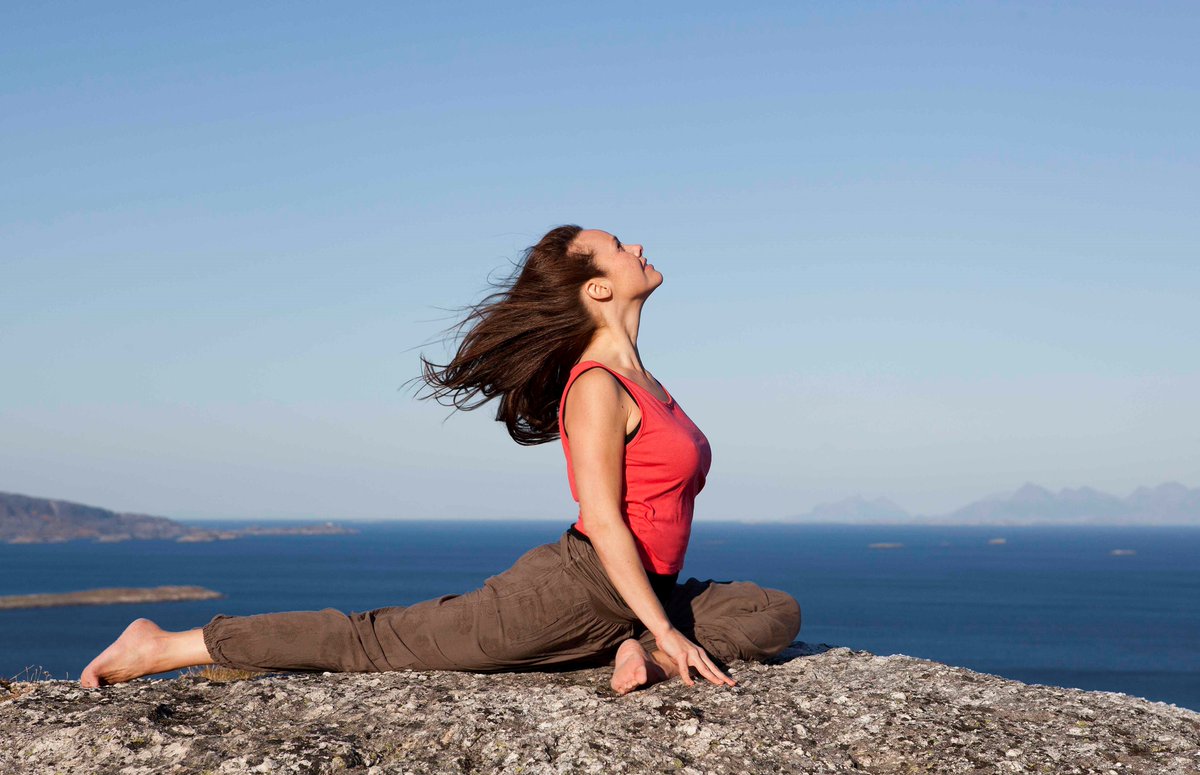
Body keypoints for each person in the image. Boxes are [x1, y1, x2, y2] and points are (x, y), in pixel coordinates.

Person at [80, 225, 801, 694]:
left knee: (774, 611)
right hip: (575, 591)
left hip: (648, 589)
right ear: (598, 287)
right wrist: (669, 629)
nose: (637, 244)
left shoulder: (645, 378)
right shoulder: (596, 388)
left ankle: (634, 646)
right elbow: (606, 520)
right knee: (375, 642)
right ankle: (168, 644)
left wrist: (657, 624)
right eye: (617, 244)